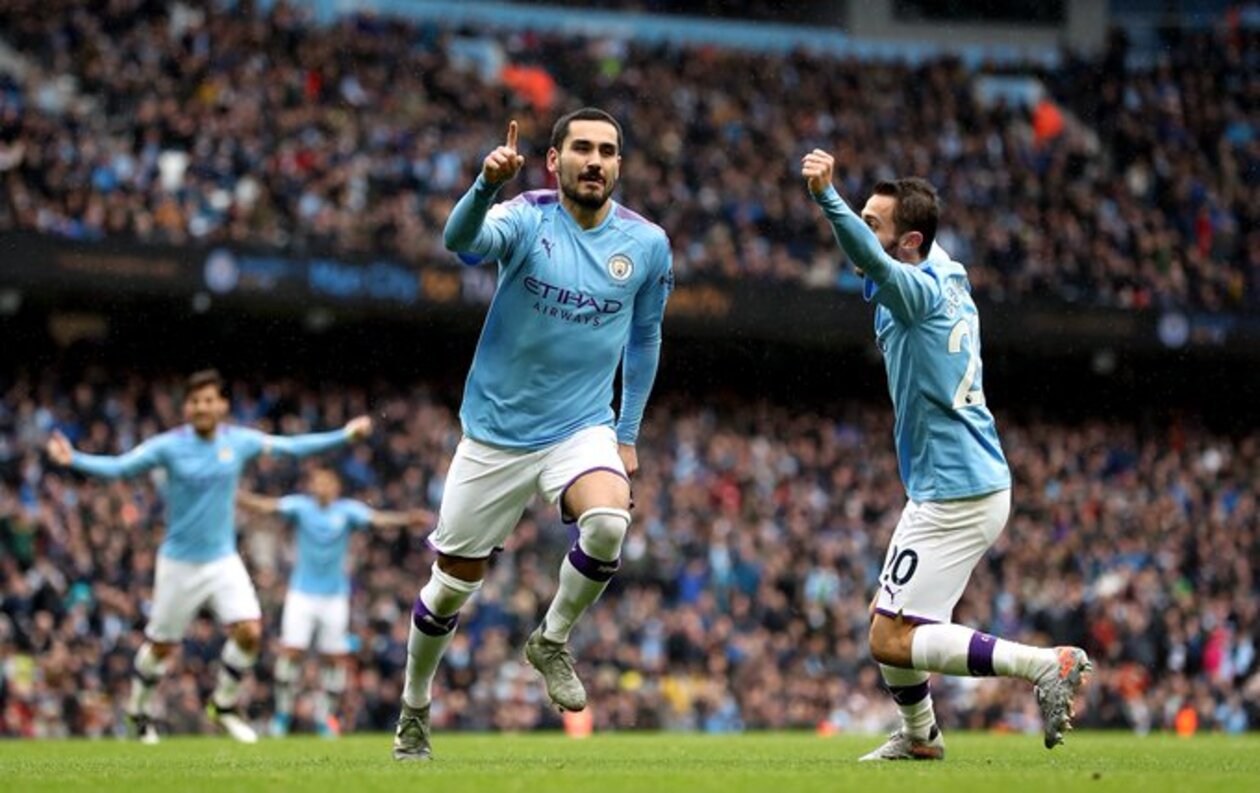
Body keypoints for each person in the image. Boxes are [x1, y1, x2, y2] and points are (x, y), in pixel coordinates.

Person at [392, 107, 673, 761]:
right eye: (582, 148)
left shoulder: (647, 243)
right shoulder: (525, 217)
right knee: (450, 587)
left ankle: (551, 639)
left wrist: (626, 432)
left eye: (607, 151)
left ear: (619, 165)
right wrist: (486, 183)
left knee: (609, 520)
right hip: (495, 434)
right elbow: (460, 242)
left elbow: (645, 337)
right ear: (554, 160)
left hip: (580, 427)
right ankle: (414, 705)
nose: (595, 161)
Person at [800, 150, 1091, 761]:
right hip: (959, 482)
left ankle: (1043, 665)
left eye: (873, 223)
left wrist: (827, 198)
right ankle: (920, 737)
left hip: (955, 490)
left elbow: (870, 260)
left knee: (890, 637)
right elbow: (882, 256)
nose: (862, 231)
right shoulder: (946, 269)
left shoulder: (916, 291)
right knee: (891, 618)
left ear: (909, 242)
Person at [45, 369, 372, 744]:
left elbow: (291, 447)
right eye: (195, 401)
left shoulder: (239, 441)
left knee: (249, 632)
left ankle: (224, 704)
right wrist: (73, 459)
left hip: (222, 560)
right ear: (186, 408)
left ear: (222, 406)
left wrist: (344, 435)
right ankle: (137, 711)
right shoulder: (168, 446)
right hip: (178, 563)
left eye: (208, 400)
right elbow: (120, 467)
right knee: (162, 647)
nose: (202, 407)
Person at [236, 467, 432, 738]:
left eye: (327, 482)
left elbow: (378, 519)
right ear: (311, 486)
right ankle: (282, 714)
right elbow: (266, 506)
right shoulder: (301, 507)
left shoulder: (347, 511)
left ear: (336, 487)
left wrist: (407, 519)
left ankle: (325, 717)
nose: (322, 487)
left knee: (334, 658)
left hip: (334, 596)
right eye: (317, 482)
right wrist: (237, 496)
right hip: (302, 593)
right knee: (292, 651)